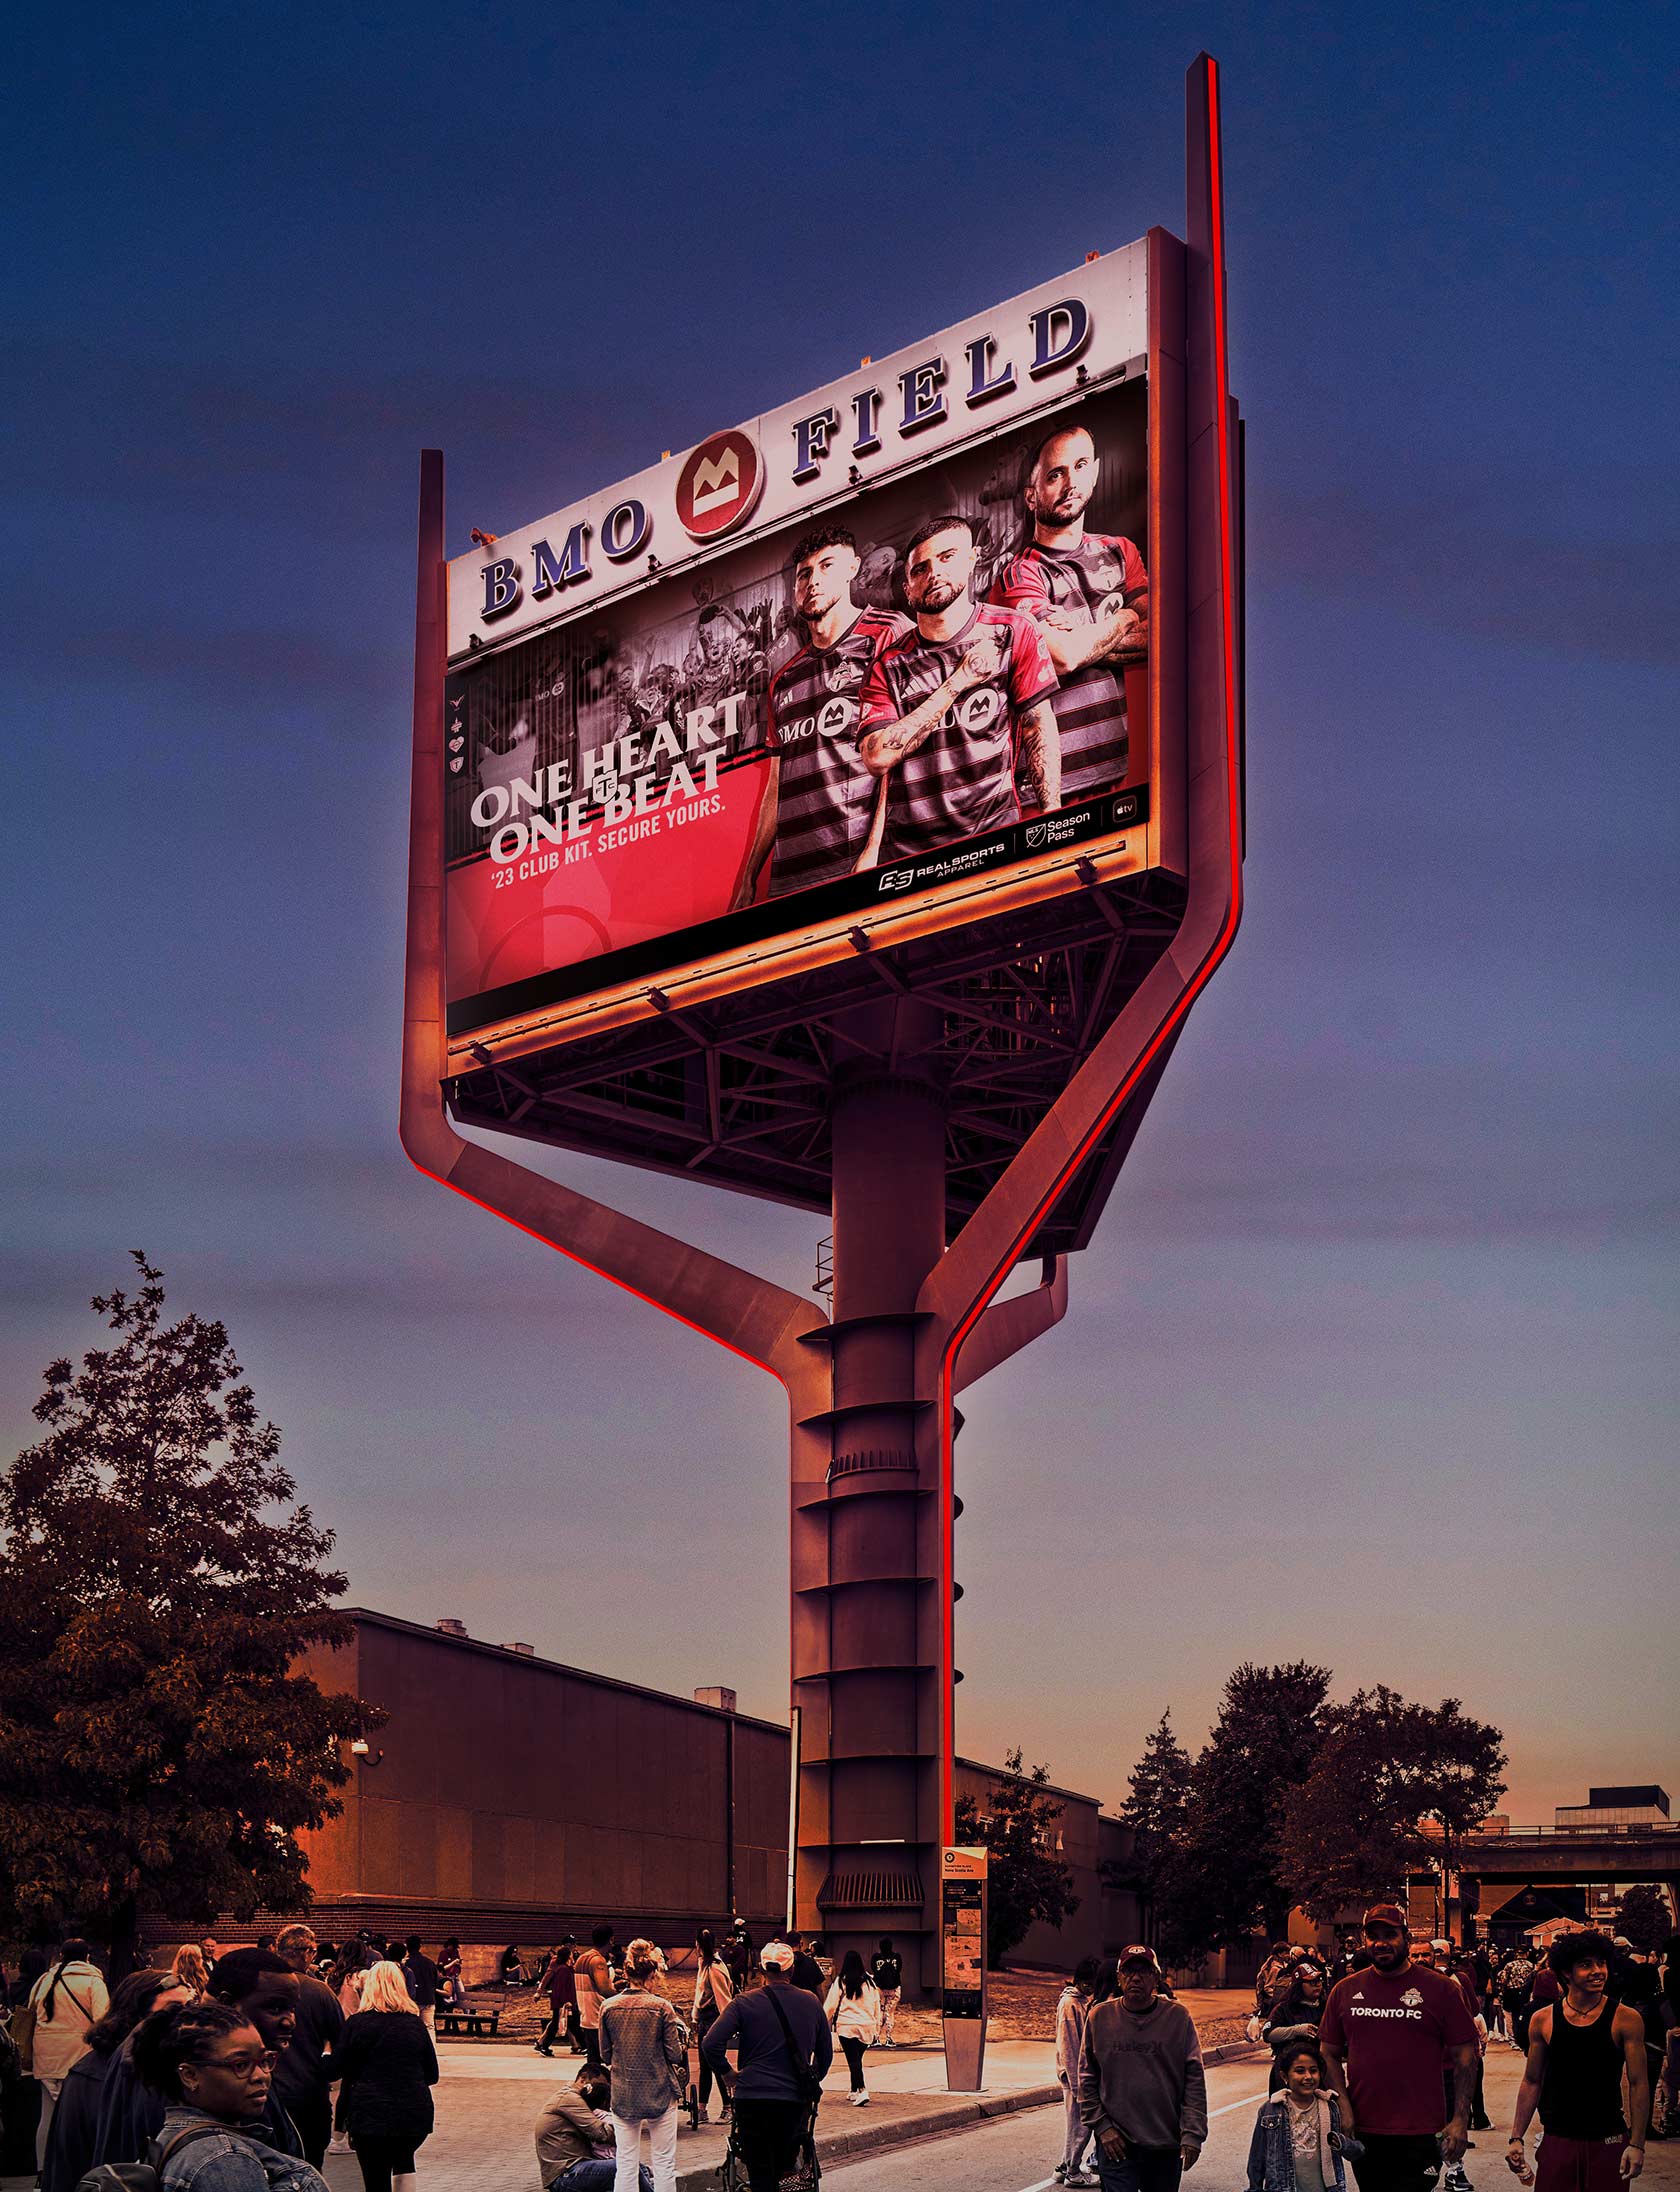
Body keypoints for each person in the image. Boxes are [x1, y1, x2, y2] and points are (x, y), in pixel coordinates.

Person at [855, 513, 1059, 867]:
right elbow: (877, 757)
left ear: (971, 561)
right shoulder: (887, 663)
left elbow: (1037, 726)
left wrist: (1052, 817)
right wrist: (958, 682)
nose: (933, 573)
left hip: (996, 838)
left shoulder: (1013, 629)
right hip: (908, 858)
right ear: (907, 589)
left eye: (947, 558)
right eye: (920, 569)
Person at [738, 525, 913, 902]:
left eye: (826, 566)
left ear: (853, 568)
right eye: (804, 574)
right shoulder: (783, 679)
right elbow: (775, 786)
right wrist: (749, 876)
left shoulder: (890, 633)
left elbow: (907, 751)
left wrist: (874, 851)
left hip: (864, 864)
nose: (813, 581)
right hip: (791, 878)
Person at [990, 422, 1147, 807]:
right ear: (1032, 496)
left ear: (1094, 472)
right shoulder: (1020, 573)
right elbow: (1062, 657)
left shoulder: (1120, 551)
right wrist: (1126, 618)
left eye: (1079, 467)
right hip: (1043, 785)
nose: (1069, 482)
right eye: (1055, 474)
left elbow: (1162, 635)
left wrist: (1082, 633)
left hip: (1116, 766)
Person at [1318, 1904, 1478, 2192]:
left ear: (1406, 1936)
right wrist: (1342, 2105)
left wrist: (1460, 2119)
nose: (1380, 1943)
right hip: (1364, 2128)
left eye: (1390, 1934)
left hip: (1423, 2130)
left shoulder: (1442, 1989)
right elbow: (1328, 2052)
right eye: (1373, 1935)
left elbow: (1466, 2056)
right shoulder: (1344, 1990)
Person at [127, 1995, 328, 2192]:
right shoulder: (224, 2159)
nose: (261, 2076)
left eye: (264, 2060)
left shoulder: (170, 2138)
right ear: (190, 2075)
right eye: (240, 2065)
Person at [1508, 1929, 1648, 2191]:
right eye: (1586, 1965)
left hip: (1608, 2137)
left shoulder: (1626, 2019)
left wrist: (1637, 2143)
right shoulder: (1543, 2019)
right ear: (1566, 1973)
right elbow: (1531, 2080)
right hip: (1558, 2138)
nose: (1598, 1971)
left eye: (1602, 1962)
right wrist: (1516, 2137)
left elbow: (1639, 2082)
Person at [40, 1969, 190, 2192]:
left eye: (189, 2008)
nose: (184, 2020)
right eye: (174, 2009)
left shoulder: (179, 2069)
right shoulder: (90, 2075)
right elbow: (68, 2158)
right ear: (138, 2013)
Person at [701, 1942, 832, 2192]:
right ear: (791, 1970)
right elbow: (824, 2055)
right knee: (786, 2164)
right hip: (792, 2100)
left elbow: (711, 2043)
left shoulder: (743, 2003)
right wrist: (811, 2077)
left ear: (761, 1970)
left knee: (759, 2169)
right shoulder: (811, 2002)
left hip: (752, 2097)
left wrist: (728, 2073)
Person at [1078, 1944, 1207, 2192]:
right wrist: (1102, 2127)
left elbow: (1194, 2079)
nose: (1135, 1977)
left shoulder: (1178, 2018)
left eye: (1144, 1971)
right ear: (1118, 1977)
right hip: (1116, 2142)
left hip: (1165, 2141)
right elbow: (1086, 2078)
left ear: (1156, 1977)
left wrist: (1193, 2132)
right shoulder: (1099, 2018)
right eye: (1128, 1971)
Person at [335, 1960, 438, 2192]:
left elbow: (337, 2068)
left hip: (370, 2115)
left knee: (375, 2176)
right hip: (414, 2115)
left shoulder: (357, 2024)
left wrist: (324, 2053)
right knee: (403, 2159)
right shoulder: (415, 2025)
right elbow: (432, 2074)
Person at [598, 1939, 684, 2192]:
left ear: (626, 1972)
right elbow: (675, 2054)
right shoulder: (662, 2008)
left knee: (625, 2160)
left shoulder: (608, 2007)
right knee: (664, 2161)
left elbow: (605, 2054)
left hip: (624, 2091)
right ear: (652, 1974)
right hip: (659, 2088)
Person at [26, 1935, 110, 2174]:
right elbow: (101, 2019)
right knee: (81, 2118)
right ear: (87, 1957)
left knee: (47, 2116)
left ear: (60, 1956)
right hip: (79, 2057)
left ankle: (43, 2171)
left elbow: (30, 2012)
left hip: (46, 2055)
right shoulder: (93, 1982)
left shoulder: (44, 1980)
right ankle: (78, 2168)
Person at [270, 1925, 345, 2169]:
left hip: (265, 2095)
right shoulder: (318, 1992)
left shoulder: (256, 1986)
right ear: (305, 1954)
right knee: (310, 2166)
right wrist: (328, 2070)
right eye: (313, 1951)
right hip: (307, 2093)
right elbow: (341, 2042)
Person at [1247, 2042, 1362, 2192]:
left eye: (1313, 2070)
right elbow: (1257, 2157)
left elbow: (1357, 2152)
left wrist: (1342, 2143)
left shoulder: (1330, 2108)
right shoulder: (1270, 2110)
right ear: (1284, 2076)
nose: (1308, 2076)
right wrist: (1254, 2188)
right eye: (1300, 2071)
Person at [536, 2063, 654, 2192]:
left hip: (575, 2169)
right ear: (583, 2078)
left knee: (638, 2168)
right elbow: (602, 2133)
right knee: (625, 2166)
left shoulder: (572, 2097)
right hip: (566, 2173)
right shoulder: (569, 2099)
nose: (600, 2091)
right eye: (598, 2085)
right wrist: (629, 2126)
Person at [1055, 1957, 1099, 2187]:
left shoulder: (1080, 2001)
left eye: (1093, 1983)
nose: (1090, 1987)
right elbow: (1070, 2046)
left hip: (1078, 2075)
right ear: (1078, 1980)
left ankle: (1064, 2165)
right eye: (1087, 1983)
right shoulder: (1070, 2005)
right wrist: (1077, 2083)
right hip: (1075, 2076)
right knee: (1081, 2125)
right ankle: (1072, 2171)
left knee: (1076, 2124)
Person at [823, 1951, 880, 2107]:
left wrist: (821, 2021)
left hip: (847, 2026)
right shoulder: (870, 1983)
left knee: (853, 2060)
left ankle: (862, 2090)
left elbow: (831, 2005)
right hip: (867, 2026)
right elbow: (876, 2006)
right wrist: (876, 2027)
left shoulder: (841, 1981)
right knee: (856, 2059)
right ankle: (854, 2089)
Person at [690, 1930, 734, 2123]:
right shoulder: (705, 1964)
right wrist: (695, 2017)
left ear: (699, 1945)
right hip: (705, 2019)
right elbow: (699, 1994)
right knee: (704, 2066)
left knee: (716, 2063)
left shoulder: (715, 1968)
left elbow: (724, 1998)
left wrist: (726, 2026)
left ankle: (729, 2107)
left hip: (715, 2019)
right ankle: (702, 2109)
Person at [1264, 1965, 1329, 2093]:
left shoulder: (1327, 2006)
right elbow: (1268, 2034)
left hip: (1320, 2071)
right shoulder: (1284, 2008)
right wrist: (1296, 2030)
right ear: (1298, 1986)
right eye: (1311, 1981)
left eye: (1319, 1980)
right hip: (1288, 2073)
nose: (1317, 1984)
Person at [575, 1927, 615, 2072]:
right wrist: (623, 1998)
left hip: (586, 2015)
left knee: (593, 2062)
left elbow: (590, 1984)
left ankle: (593, 2086)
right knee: (608, 2060)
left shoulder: (582, 1958)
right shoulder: (598, 1960)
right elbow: (603, 1989)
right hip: (598, 2016)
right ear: (611, 1939)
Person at [537, 1943, 579, 2059]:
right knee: (557, 2023)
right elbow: (561, 1987)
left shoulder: (567, 1969)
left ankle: (543, 2045)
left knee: (563, 2023)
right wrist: (566, 2001)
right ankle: (544, 2045)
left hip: (561, 2001)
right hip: (561, 2002)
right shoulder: (562, 1970)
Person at [868, 1938, 903, 2048]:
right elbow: (899, 1970)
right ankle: (888, 2038)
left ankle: (876, 2038)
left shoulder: (876, 1957)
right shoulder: (897, 1957)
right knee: (889, 2012)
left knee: (879, 2012)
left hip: (879, 1988)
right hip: (894, 1988)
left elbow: (874, 1970)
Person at [399, 1940, 438, 2036]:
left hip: (412, 2000)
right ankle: (431, 2048)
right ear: (420, 1946)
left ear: (407, 1947)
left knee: (411, 2028)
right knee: (429, 2026)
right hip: (428, 1998)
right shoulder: (430, 1962)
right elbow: (435, 1981)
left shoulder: (406, 1964)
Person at [435, 1941, 466, 2013]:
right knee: (451, 1996)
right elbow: (443, 1968)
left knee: (462, 1993)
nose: (454, 1949)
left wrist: (458, 1963)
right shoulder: (443, 1953)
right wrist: (453, 1963)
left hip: (456, 1975)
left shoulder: (455, 1952)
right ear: (449, 1945)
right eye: (454, 1947)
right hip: (449, 1976)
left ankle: (466, 2012)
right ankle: (450, 2013)